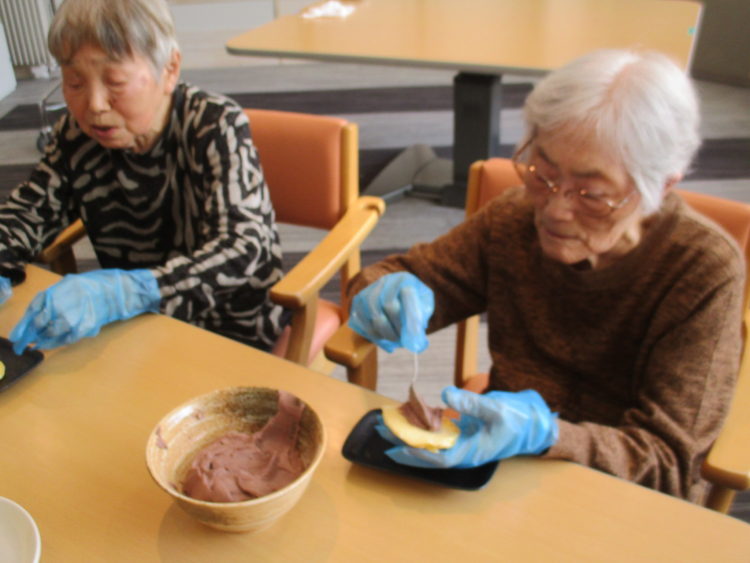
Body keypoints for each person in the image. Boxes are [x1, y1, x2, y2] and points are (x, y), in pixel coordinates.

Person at [348, 49, 745, 504]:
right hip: (498, 464)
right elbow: (406, 276)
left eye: (591, 194)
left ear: (662, 186)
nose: (554, 210)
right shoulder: (513, 218)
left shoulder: (701, 270)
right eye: (543, 172)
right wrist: (380, 293)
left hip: (622, 497)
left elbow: (670, 463)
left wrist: (551, 436)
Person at [0, 0, 287, 353]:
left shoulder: (214, 125)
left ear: (169, 69)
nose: (95, 104)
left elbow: (243, 248)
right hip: (134, 326)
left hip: (228, 329)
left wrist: (131, 292)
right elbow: (29, 211)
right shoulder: (75, 136)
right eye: (75, 83)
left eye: (115, 82)